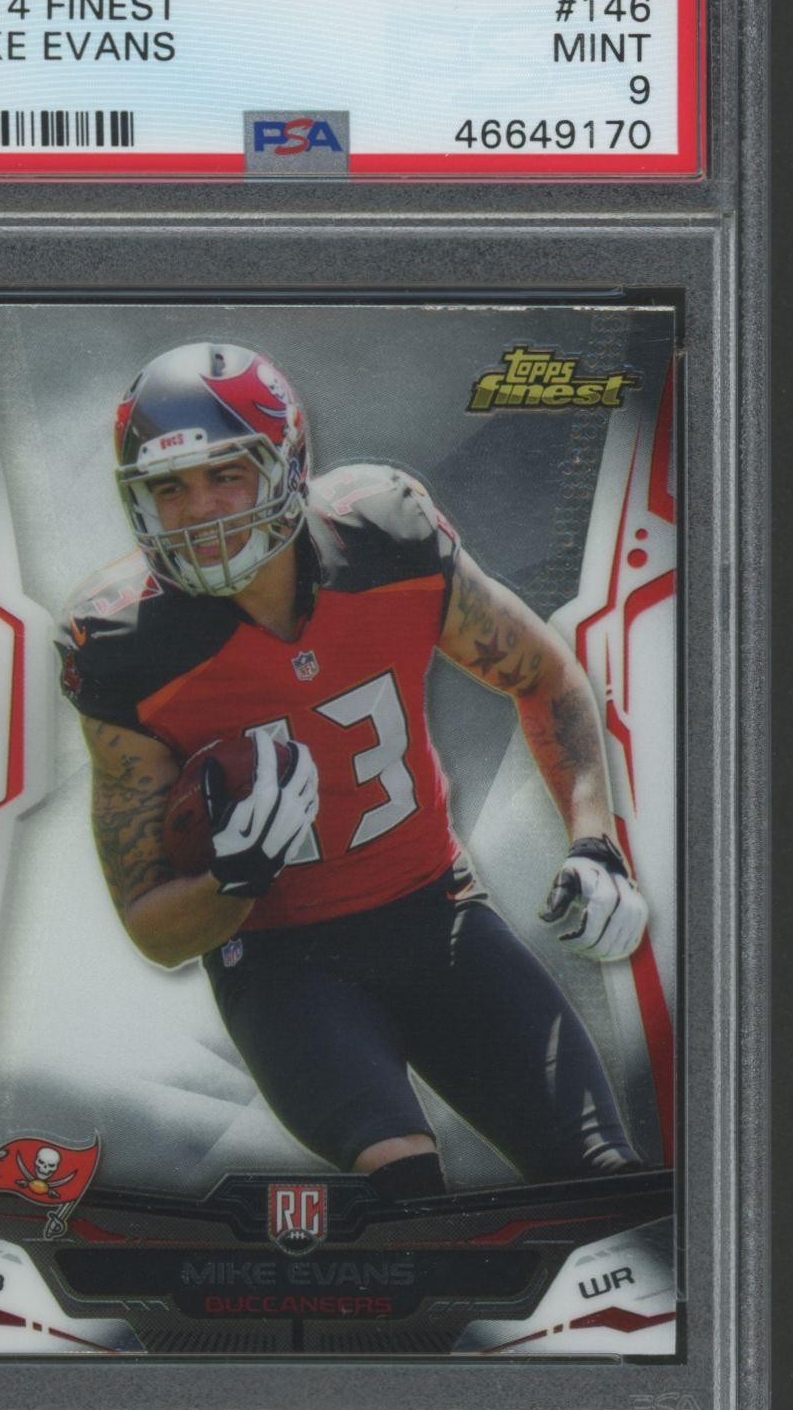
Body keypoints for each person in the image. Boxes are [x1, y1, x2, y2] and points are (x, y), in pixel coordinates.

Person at [56, 341, 648, 1201]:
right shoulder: (122, 646)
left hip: (435, 913)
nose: (199, 509)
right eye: (168, 487)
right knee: (406, 1195)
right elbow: (154, 925)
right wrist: (232, 878)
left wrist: (595, 840)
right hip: (282, 961)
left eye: (226, 474)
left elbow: (543, 675)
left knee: (603, 1187)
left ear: (286, 464)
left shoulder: (385, 535)